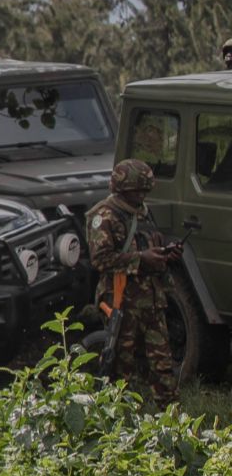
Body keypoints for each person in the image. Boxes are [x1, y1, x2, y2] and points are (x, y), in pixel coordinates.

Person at [87, 158, 181, 409]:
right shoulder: (104, 216)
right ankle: (113, 424)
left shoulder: (142, 212)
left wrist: (164, 254)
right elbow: (101, 260)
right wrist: (142, 259)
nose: (141, 195)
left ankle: (172, 421)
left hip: (151, 300)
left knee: (163, 365)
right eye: (136, 190)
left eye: (144, 190)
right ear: (122, 189)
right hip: (122, 303)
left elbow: (146, 245)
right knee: (119, 367)